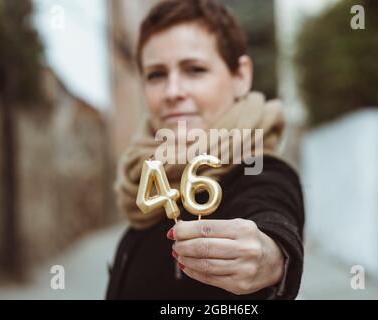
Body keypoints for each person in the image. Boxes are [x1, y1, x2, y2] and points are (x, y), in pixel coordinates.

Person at [106, 0, 304, 300]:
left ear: (240, 77)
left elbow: (271, 206)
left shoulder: (259, 169)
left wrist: (272, 255)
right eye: (156, 75)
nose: (173, 92)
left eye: (195, 69)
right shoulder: (144, 175)